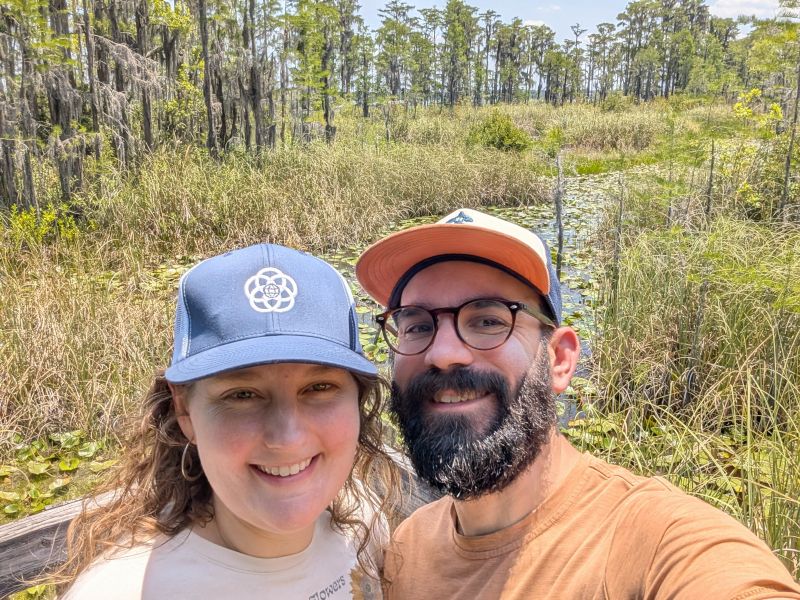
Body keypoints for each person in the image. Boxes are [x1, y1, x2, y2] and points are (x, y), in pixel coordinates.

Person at [355, 208, 800, 599]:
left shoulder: (653, 543)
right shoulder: (408, 545)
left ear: (560, 360)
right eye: (415, 326)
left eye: (488, 320)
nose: (443, 353)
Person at [53, 243, 398, 599]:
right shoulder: (120, 591)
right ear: (185, 410)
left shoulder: (363, 526)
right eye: (242, 395)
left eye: (319, 387)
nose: (287, 437)